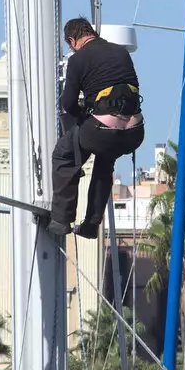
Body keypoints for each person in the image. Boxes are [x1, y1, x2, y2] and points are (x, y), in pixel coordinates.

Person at [50, 17, 145, 237]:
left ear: (73, 40)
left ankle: (61, 220)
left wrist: (82, 115)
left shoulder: (78, 59)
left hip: (102, 130)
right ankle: (91, 225)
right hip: (134, 131)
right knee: (105, 163)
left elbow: (67, 103)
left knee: (64, 155)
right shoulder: (121, 52)